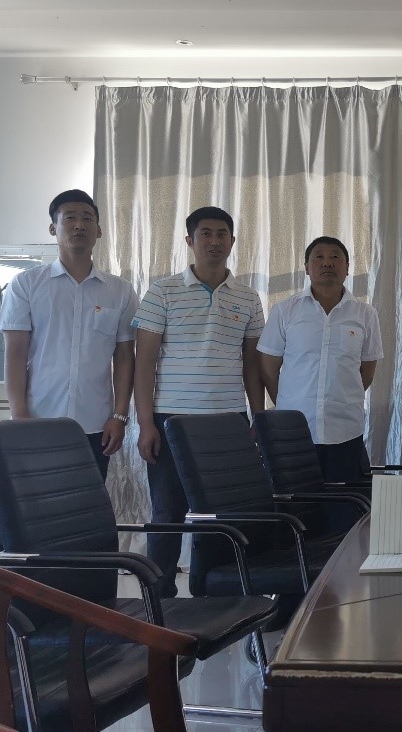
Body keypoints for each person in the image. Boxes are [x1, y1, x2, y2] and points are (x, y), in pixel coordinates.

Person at [132, 206, 265, 597]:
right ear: (190, 241)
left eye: (222, 234)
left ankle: (212, 591)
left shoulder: (248, 298)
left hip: (228, 420)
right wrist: (145, 423)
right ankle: (159, 597)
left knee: (221, 512)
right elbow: (144, 363)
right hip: (171, 418)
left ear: (233, 241)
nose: (214, 241)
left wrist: (258, 418)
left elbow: (252, 365)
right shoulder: (162, 292)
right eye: (205, 233)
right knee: (167, 511)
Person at [1, 189, 138, 480]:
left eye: (87, 218)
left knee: (88, 501)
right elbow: (15, 354)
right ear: (53, 228)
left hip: (96, 423)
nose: (79, 225)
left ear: (98, 230)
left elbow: (125, 358)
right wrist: (20, 417)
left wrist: (120, 415)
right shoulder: (26, 285)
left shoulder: (120, 291)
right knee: (37, 501)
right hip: (39, 419)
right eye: (70, 218)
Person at [257, 236, 384, 485]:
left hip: (346, 430)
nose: (327, 262)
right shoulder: (285, 310)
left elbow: (367, 371)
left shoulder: (365, 314)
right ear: (306, 267)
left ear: (347, 268)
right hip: (294, 432)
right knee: (296, 504)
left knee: (345, 503)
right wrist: (290, 401)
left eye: (335, 256)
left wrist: (339, 395)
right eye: (319, 257)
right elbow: (269, 369)